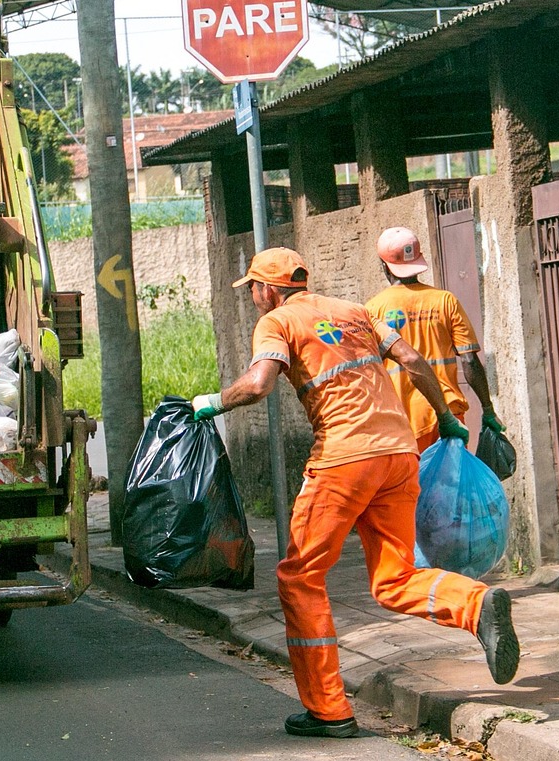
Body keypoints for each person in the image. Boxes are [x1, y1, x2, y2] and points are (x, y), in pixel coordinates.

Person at [192, 247, 520, 739]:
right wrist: (448, 417)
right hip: (399, 454)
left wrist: (212, 403)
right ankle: (475, 604)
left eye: (253, 290)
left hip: (344, 459)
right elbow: (412, 359)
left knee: (300, 577)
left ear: (268, 288)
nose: (254, 299)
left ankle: (329, 710)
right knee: (393, 578)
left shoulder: (277, 322)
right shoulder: (355, 311)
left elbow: (259, 384)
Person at [366, 226, 506, 452]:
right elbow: (470, 361)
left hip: (404, 421)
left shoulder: (372, 310)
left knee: (414, 487)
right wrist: (488, 409)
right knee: (452, 485)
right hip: (449, 416)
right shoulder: (445, 301)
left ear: (385, 266)